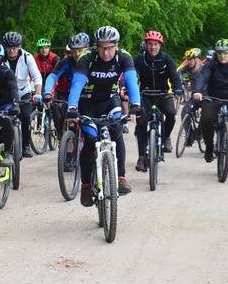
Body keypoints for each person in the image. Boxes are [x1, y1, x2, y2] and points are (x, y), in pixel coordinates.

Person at [67, 25, 141, 201]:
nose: (106, 53)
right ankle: (86, 186)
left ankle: (121, 178)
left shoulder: (124, 57)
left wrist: (136, 104)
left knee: (117, 132)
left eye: (109, 48)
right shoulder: (87, 57)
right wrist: (72, 108)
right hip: (88, 102)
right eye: (102, 48)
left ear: (116, 46)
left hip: (110, 100)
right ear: (96, 46)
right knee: (90, 140)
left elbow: (131, 82)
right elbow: (77, 84)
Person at [133, 31, 183, 172]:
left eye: (155, 44)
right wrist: (128, 91)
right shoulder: (139, 60)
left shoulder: (167, 59)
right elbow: (131, 76)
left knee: (171, 113)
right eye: (150, 44)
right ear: (146, 45)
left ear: (160, 46)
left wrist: (177, 89)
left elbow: (174, 76)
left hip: (163, 94)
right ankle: (141, 157)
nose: (153, 47)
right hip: (145, 95)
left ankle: (166, 137)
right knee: (141, 123)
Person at [1, 31, 43, 158]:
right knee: (4, 119)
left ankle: (26, 146)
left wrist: (37, 93)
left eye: (14, 47)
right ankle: (5, 146)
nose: (11, 50)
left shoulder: (27, 57)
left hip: (24, 91)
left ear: (19, 46)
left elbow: (37, 77)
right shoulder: (0, 58)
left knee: (25, 117)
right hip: (7, 93)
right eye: (9, 47)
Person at [43, 32, 89, 135]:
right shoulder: (67, 61)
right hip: (70, 94)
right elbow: (52, 76)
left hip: (88, 96)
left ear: (87, 49)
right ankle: (63, 137)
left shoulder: (93, 59)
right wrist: (47, 92)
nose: (77, 54)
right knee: (64, 118)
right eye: (74, 51)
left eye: (80, 50)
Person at [177, 48, 203, 119]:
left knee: (206, 116)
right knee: (184, 111)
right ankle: (188, 126)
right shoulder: (187, 67)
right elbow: (178, 72)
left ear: (196, 59)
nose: (188, 61)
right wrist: (184, 81)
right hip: (194, 95)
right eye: (187, 59)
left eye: (190, 59)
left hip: (206, 96)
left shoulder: (204, 68)